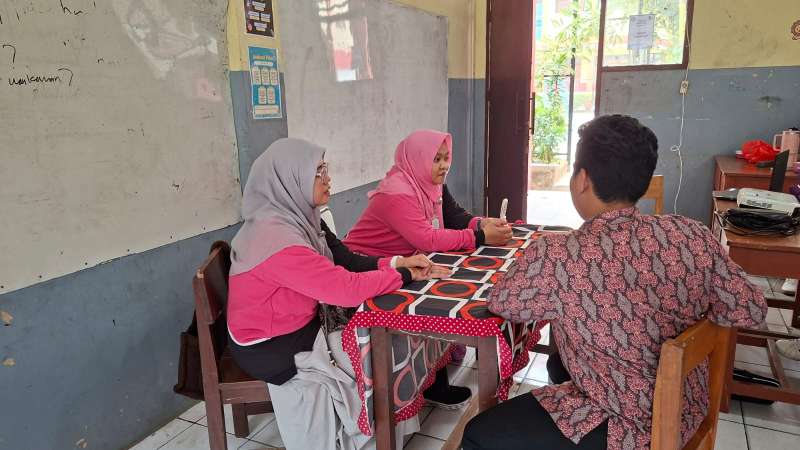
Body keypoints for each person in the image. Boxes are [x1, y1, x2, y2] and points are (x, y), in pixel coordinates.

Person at [462, 115, 768, 450]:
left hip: (626, 430)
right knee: (559, 362)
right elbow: (750, 307)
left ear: (582, 179)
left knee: (477, 434)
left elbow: (503, 303)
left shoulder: (559, 254)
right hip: (687, 408)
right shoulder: (690, 234)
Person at [226, 138, 447, 450]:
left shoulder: (301, 217)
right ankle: (369, 433)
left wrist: (398, 263)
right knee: (375, 354)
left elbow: (346, 260)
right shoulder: (276, 239)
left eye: (324, 168)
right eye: (318, 171)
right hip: (274, 345)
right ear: (290, 178)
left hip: (303, 321)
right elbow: (345, 289)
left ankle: (384, 431)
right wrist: (405, 275)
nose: (327, 178)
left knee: (388, 339)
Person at [343, 129, 512, 258]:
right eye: (436, 159)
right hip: (364, 262)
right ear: (418, 159)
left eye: (446, 158)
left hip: (403, 261)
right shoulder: (396, 193)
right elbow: (428, 239)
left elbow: (452, 215)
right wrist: (481, 236)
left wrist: (481, 224)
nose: (444, 165)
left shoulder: (430, 182)